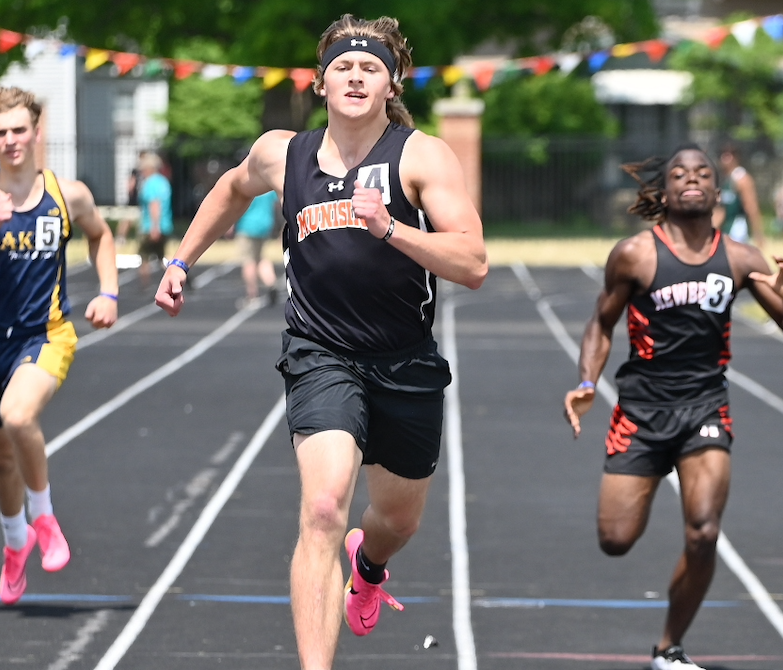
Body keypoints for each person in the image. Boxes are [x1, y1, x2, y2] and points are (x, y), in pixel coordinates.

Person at [154, 14, 487, 669]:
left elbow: (473, 262)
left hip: (404, 360)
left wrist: (391, 229)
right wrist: (180, 262)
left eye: (370, 67)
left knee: (397, 521)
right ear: (319, 81)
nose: (356, 76)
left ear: (391, 84)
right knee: (325, 505)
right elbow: (228, 189)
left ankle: (369, 566)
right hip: (320, 354)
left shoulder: (419, 155)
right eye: (344, 66)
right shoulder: (285, 153)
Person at [563, 145, 783, 670]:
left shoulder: (742, 259)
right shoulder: (635, 255)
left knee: (704, 531)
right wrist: (587, 381)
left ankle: (668, 647)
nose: (691, 179)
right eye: (680, 173)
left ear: (717, 193)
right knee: (616, 539)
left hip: (705, 408)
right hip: (641, 413)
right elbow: (601, 324)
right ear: (665, 193)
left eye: (702, 173)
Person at [0, 86, 119, 605]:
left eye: (20, 130)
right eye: (1, 132)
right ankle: (15, 545)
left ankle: (44, 518)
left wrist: (108, 292)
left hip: (48, 334)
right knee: (2, 461)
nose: (12, 140)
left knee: (20, 417)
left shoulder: (68, 193)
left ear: (37, 131)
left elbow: (101, 235)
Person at [233, 190, 280, 307]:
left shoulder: (248, 184)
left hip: (247, 225)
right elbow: (277, 203)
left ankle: (252, 295)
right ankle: (271, 282)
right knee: (261, 259)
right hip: (265, 225)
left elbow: (237, 205)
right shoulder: (267, 187)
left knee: (249, 261)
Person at [713, 144, 766, 248]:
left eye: (729, 155)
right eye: (722, 155)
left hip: (737, 228)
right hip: (724, 228)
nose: (725, 159)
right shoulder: (724, 178)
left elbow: (751, 207)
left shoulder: (742, 178)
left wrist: (758, 234)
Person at [135, 151, 173, 288]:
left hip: (150, 226)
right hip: (166, 224)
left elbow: (154, 205)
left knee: (144, 257)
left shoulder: (149, 184)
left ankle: (144, 286)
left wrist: (154, 227)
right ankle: (178, 274)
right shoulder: (164, 182)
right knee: (162, 256)